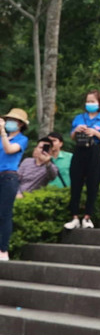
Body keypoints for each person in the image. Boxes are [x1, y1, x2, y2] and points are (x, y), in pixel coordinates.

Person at [64, 90, 100, 230]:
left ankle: (87, 217)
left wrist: (95, 133)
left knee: (93, 184)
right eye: (88, 101)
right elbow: (72, 137)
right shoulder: (79, 118)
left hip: (95, 151)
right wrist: (77, 130)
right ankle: (74, 217)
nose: (89, 104)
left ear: (99, 103)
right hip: (80, 150)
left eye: (92, 101)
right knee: (76, 184)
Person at [0, 108, 30, 261]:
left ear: (20, 124)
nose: (9, 123)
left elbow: (9, 149)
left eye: (13, 120)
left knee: (4, 214)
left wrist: (3, 133)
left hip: (9, 177)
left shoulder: (22, 139)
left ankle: (3, 250)